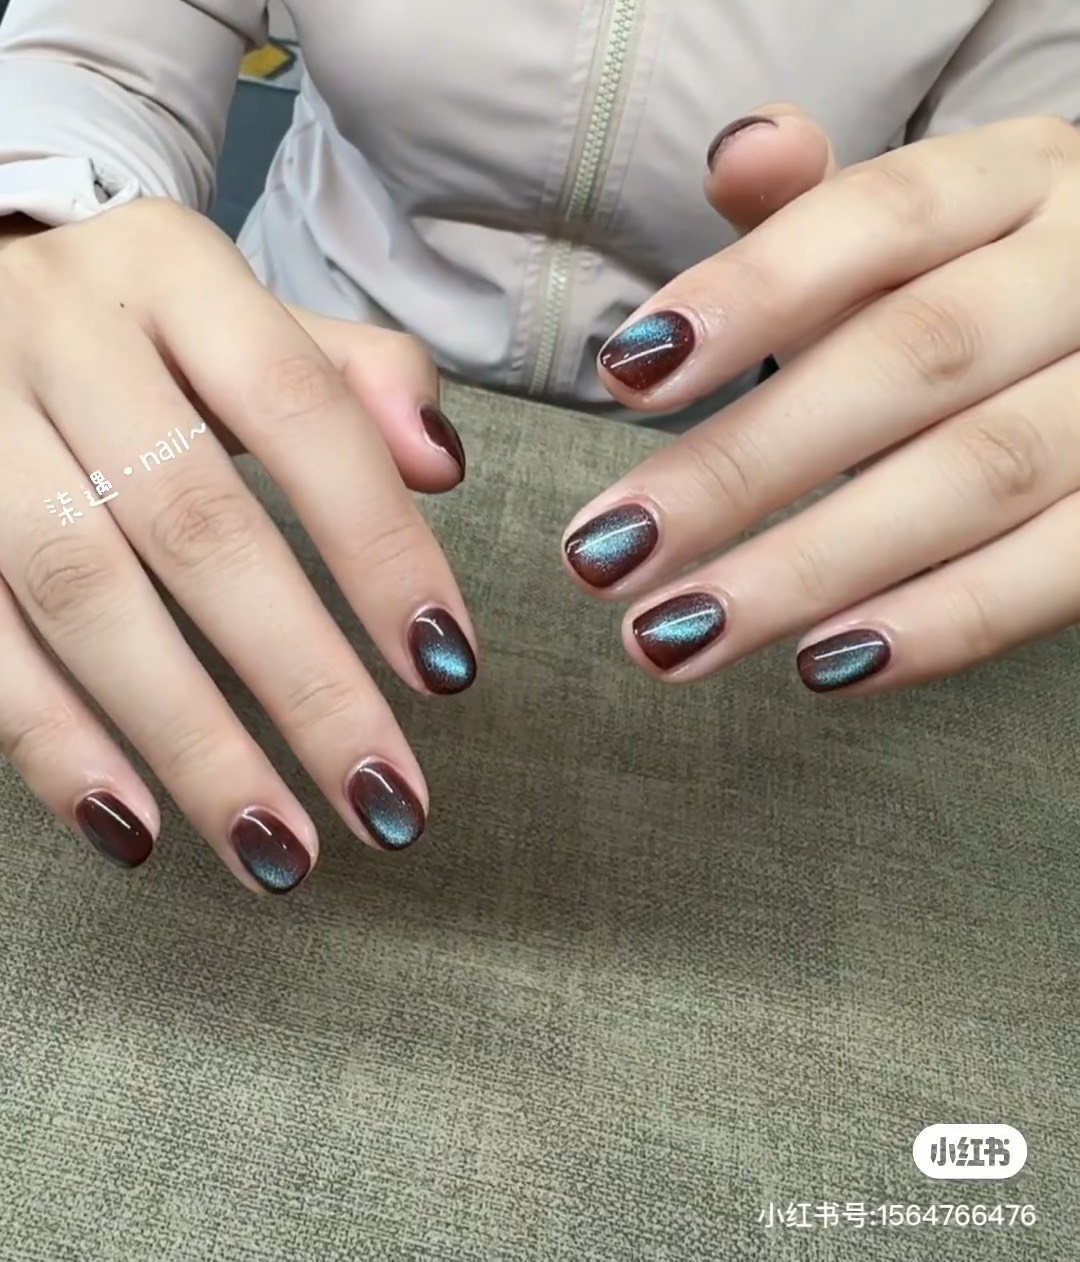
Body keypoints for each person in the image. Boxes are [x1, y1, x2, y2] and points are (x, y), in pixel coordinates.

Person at [0, 1, 1077, 893]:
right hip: (260, 416)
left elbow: (1017, 164)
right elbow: (103, 53)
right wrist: (39, 216)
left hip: (750, 487)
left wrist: (994, 296)